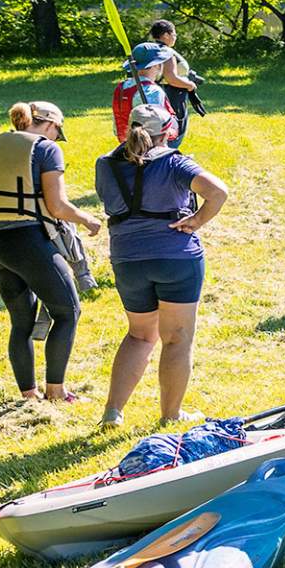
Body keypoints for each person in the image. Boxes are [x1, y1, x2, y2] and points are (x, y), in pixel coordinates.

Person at [93, 104, 228, 427]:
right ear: (169, 131)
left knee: (139, 335)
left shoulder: (105, 164)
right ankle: (171, 414)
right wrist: (195, 221)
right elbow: (218, 192)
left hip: (127, 258)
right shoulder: (175, 163)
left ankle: (113, 411)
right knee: (177, 338)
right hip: (176, 257)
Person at [0, 101, 101, 402]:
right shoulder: (45, 149)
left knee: (21, 320)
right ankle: (56, 391)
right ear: (50, 125)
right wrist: (87, 219)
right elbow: (57, 205)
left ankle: (29, 394)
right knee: (68, 310)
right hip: (26, 239)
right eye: (58, 132)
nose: (57, 138)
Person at [147, 20, 199, 146]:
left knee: (157, 129)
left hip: (159, 94)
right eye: (174, 34)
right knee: (173, 130)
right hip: (173, 95)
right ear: (165, 35)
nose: (175, 37)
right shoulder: (166, 52)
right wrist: (190, 85)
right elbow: (171, 78)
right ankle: (168, 158)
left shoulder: (151, 50)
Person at [113, 42, 174, 141]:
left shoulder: (122, 87)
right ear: (157, 65)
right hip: (151, 147)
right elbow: (159, 127)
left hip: (126, 145)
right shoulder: (154, 91)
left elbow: (116, 125)